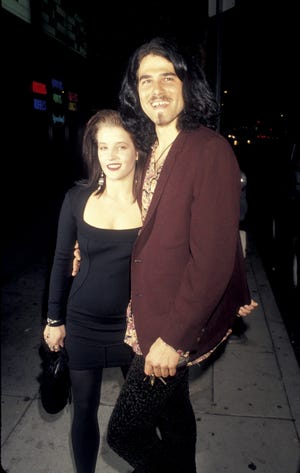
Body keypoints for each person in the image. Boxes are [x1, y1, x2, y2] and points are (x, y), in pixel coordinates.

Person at [72, 38, 258, 473]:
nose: (156, 88)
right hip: (144, 310)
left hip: (171, 325)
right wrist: (87, 243)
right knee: (175, 417)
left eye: (168, 77)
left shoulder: (208, 150)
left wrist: (174, 339)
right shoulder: (148, 149)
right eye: (145, 79)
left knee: (124, 433)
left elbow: (212, 259)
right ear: (134, 91)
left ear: (187, 85)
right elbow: (130, 215)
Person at [42, 109, 145, 473]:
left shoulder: (153, 202)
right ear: (94, 151)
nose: (112, 156)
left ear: (137, 150)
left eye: (121, 146)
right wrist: (55, 319)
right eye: (103, 147)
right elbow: (59, 261)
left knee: (141, 416)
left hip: (135, 326)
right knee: (83, 410)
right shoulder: (76, 198)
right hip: (83, 321)